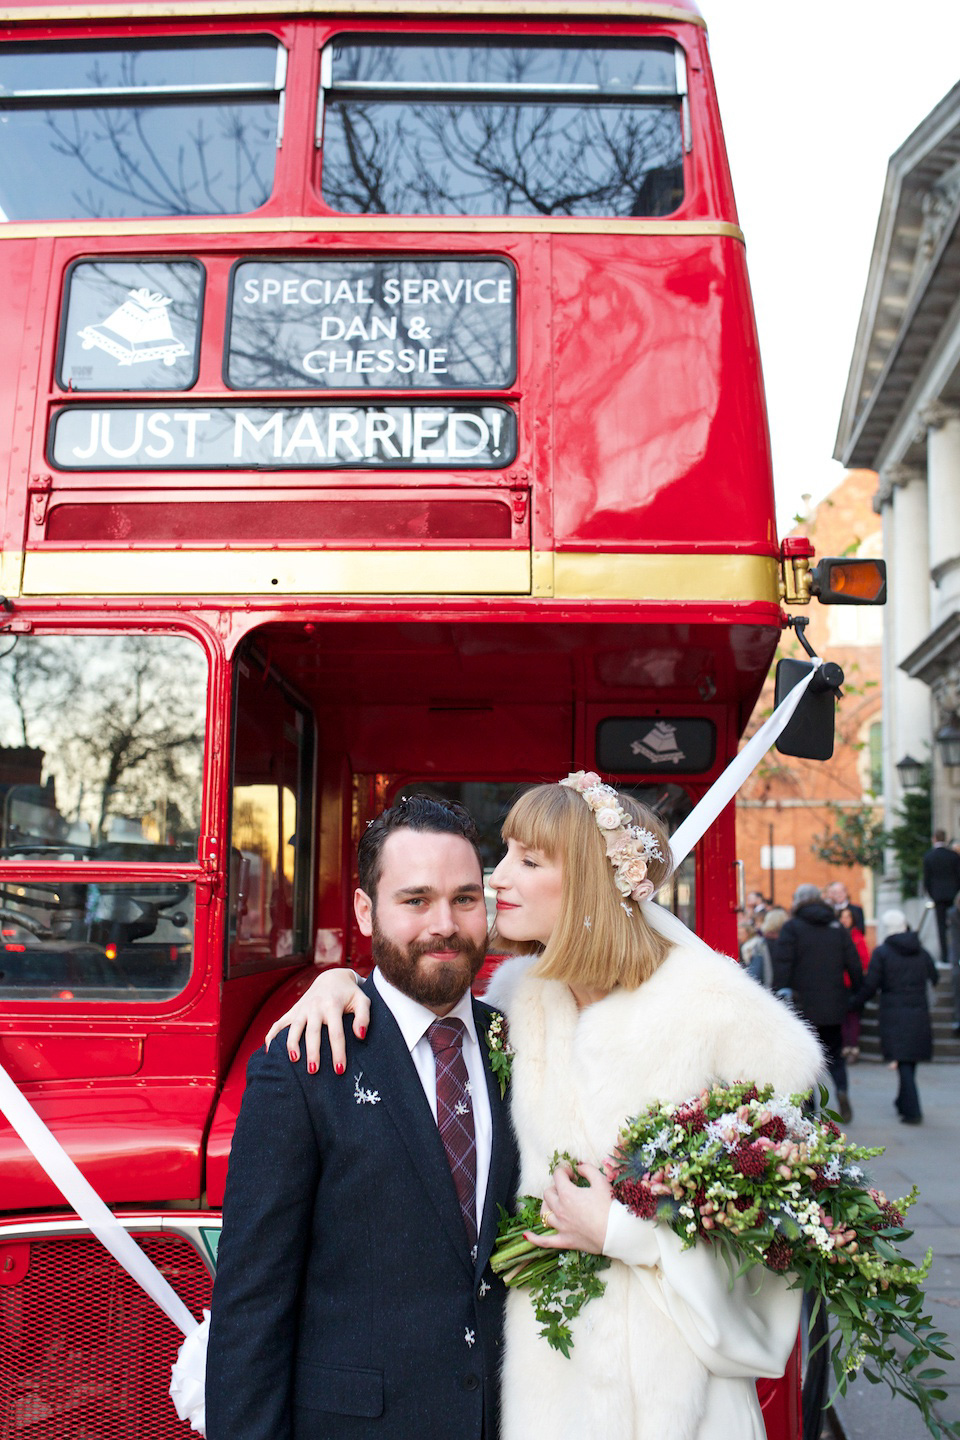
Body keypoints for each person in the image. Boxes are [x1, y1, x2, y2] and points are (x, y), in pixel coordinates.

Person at [277, 774, 823, 1440]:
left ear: (592, 881)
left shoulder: (727, 1023)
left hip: (679, 1407)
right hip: (546, 1396)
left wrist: (625, 1231)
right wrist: (337, 983)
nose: (497, 878)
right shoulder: (516, 1003)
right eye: (504, 852)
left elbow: (779, 1250)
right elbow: (418, 1025)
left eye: (528, 861)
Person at [205, 795, 518, 1440]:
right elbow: (251, 1304)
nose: (445, 924)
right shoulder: (301, 1064)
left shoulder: (521, 1044)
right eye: (415, 900)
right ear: (364, 909)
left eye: (464, 898)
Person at [772, 882, 863, 1122]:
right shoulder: (836, 927)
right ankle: (842, 1091)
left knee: (807, 1058)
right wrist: (855, 995)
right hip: (834, 1005)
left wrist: (775, 995)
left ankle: (810, 1108)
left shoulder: (792, 928)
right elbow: (854, 964)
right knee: (836, 1055)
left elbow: (783, 966)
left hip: (804, 1007)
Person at [850, 909, 938, 1125]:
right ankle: (903, 1101)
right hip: (918, 1010)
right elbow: (934, 976)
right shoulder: (920, 951)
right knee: (909, 1060)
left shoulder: (883, 953)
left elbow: (871, 984)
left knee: (904, 1061)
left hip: (893, 1012)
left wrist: (853, 1003)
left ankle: (912, 1111)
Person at [922, 828, 960, 961]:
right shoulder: (953, 856)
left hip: (938, 897)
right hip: (952, 896)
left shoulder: (929, 856)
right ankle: (955, 954)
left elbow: (927, 880)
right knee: (955, 924)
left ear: (934, 839)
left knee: (941, 927)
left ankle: (945, 955)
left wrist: (932, 894)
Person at [838, 904, 869, 1062]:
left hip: (851, 982)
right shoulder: (836, 936)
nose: (844, 920)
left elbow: (865, 961)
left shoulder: (857, 937)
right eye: (842, 917)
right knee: (842, 1016)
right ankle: (845, 1046)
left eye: (847, 917)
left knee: (853, 1016)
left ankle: (852, 1046)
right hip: (838, 983)